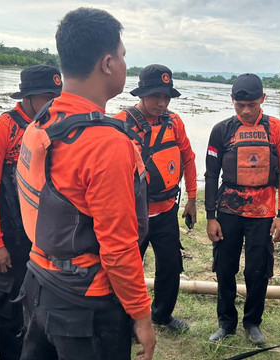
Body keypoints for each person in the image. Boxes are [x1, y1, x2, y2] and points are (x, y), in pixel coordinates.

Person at [15, 7, 155, 360]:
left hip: (37, 286)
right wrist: (141, 315)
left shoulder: (41, 122)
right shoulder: (107, 143)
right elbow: (119, 247)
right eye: (123, 56)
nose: (125, 65)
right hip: (86, 306)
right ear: (107, 63)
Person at [0, 64, 62, 360]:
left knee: (43, 309)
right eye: (47, 96)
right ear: (28, 97)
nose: (53, 103)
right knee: (11, 311)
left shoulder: (54, 128)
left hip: (45, 238)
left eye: (57, 96)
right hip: (11, 239)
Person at [204, 73, 280, 345]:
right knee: (225, 268)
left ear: (262, 100)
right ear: (232, 101)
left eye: (251, 105)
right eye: (239, 105)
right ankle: (226, 322)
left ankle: (253, 322)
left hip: (263, 214)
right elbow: (210, 175)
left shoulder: (277, 129)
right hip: (228, 212)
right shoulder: (222, 130)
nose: (245, 111)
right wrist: (210, 216)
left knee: (257, 270)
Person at [113, 64, 197, 332]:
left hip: (167, 211)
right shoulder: (119, 123)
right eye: (156, 97)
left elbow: (188, 158)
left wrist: (192, 198)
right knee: (127, 269)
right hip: (132, 215)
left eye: (166, 97)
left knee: (171, 267)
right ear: (141, 94)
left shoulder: (174, 122)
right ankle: (125, 320)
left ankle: (162, 315)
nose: (162, 103)